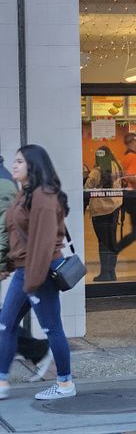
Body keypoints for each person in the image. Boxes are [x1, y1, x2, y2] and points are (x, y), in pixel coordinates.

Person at [0, 144, 77, 400]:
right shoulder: (27, 194)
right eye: (15, 161)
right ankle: (1, 382)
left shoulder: (44, 196)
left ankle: (65, 384)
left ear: (33, 165)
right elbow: (18, 237)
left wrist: (32, 282)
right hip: (25, 270)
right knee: (6, 325)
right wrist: (9, 267)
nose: (14, 165)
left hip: (39, 271)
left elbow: (42, 244)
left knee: (52, 328)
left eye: (20, 161)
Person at [0, 153, 52, 383]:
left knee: (7, 321)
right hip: (19, 264)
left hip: (27, 266)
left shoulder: (3, 184)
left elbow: (4, 230)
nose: (15, 165)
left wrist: (3, 263)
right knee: (6, 320)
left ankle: (40, 353)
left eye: (20, 161)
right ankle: (36, 350)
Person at [84, 146, 123, 281]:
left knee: (103, 242)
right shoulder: (117, 166)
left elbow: (87, 188)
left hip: (100, 210)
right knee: (111, 240)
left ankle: (104, 273)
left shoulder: (97, 171)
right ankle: (111, 272)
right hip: (114, 208)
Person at [119, 132, 136, 244]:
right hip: (134, 198)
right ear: (133, 141)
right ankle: (116, 248)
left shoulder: (125, 157)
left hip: (127, 198)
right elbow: (131, 177)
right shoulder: (134, 157)